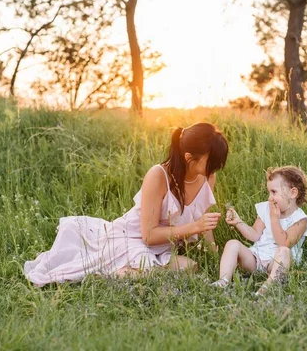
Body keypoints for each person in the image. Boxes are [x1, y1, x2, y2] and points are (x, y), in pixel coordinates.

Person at [24, 123, 228, 286]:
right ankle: (107, 274)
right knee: (156, 270)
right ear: (189, 158)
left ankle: (127, 272)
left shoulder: (208, 177)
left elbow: (204, 221)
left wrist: (214, 253)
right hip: (133, 238)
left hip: (165, 246)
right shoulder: (159, 176)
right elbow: (148, 236)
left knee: (190, 267)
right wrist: (194, 227)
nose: (217, 167)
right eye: (213, 161)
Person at [211, 166, 307, 295]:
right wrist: (238, 222)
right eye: (269, 192)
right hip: (256, 259)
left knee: (283, 251)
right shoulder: (266, 209)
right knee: (232, 244)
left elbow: (284, 243)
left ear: (292, 193)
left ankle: (268, 286)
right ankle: (223, 280)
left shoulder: (301, 220)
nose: (269, 198)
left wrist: (274, 220)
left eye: (274, 192)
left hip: (277, 264)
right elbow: (254, 235)